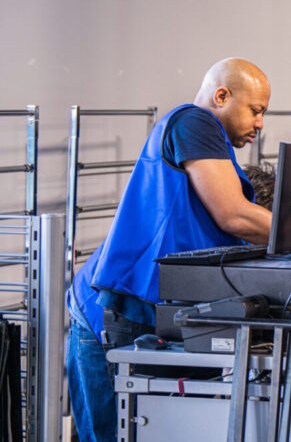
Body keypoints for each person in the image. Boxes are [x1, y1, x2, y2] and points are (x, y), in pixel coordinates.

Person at [66, 58, 273, 442]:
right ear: (221, 96)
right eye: (256, 111)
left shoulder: (212, 149)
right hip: (103, 316)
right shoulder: (194, 122)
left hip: (142, 314)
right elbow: (233, 215)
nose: (260, 124)